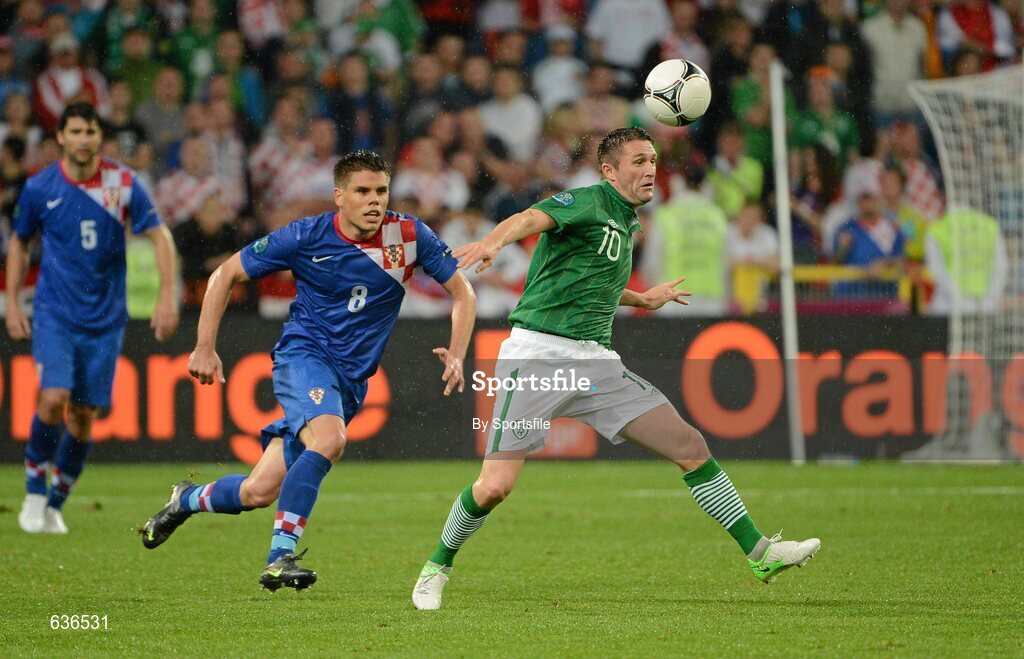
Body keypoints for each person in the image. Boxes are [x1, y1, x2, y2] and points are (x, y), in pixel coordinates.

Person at [410, 127, 820, 610]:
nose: (649, 170)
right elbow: (526, 218)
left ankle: (761, 553)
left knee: (689, 444)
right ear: (610, 170)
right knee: (495, 486)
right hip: (538, 357)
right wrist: (493, 242)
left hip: (596, 363)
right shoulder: (587, 201)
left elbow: (590, 278)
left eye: (652, 160)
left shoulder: (628, 221)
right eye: (638, 161)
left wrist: (641, 298)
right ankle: (436, 566)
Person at [140, 150, 476, 592]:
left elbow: (462, 292)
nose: (374, 201)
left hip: (350, 382)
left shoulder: (409, 235)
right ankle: (280, 556)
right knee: (331, 440)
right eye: (362, 191)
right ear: (339, 196)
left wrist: (456, 352)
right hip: (304, 358)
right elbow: (224, 275)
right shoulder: (305, 236)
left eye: (381, 191)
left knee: (257, 492)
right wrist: (205, 347)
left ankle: (185, 500)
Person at [6, 102, 179, 534]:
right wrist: (11, 301)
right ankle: (32, 491)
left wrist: (166, 296)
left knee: (84, 415)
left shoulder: (122, 183)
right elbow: (19, 243)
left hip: (105, 319)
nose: (85, 139)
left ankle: (56, 503)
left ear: (100, 137)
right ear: (61, 137)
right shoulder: (39, 187)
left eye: (92, 132)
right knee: (52, 398)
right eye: (77, 131)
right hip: (55, 313)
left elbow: (160, 237)